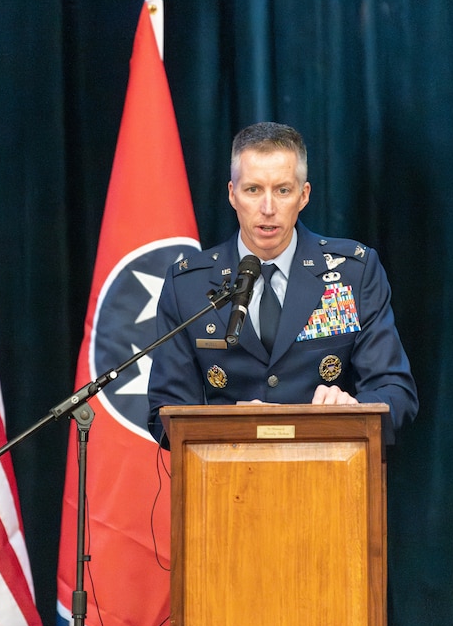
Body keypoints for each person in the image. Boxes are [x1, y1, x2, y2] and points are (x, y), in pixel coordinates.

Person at [147, 121, 417, 445]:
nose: (268, 208)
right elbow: (166, 411)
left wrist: (354, 410)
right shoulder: (187, 285)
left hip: (329, 470)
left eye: (283, 190)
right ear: (232, 195)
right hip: (226, 477)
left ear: (303, 196)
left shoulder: (353, 273)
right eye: (253, 190)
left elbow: (396, 391)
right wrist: (232, 425)